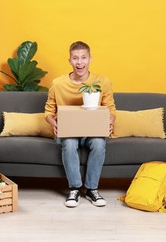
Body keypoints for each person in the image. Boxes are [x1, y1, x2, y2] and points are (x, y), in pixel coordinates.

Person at [45, 41, 116, 208]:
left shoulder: (102, 82)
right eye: (75, 58)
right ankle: (74, 189)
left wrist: (109, 122)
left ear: (90, 59)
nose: (80, 62)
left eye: (84, 58)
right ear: (69, 60)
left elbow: (111, 108)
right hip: (68, 133)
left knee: (99, 143)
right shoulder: (58, 84)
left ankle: (92, 189)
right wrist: (52, 122)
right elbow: (48, 111)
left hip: (92, 132)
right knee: (69, 144)